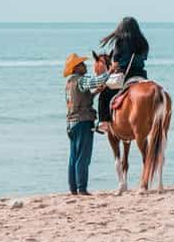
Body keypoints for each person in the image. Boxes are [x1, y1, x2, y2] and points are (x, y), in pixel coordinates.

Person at [63, 52, 109, 195]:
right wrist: (111, 72)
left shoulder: (69, 83)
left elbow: (81, 99)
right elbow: (95, 81)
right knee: (84, 156)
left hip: (71, 123)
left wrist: (95, 93)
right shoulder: (81, 80)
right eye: (82, 64)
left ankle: (73, 188)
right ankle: (82, 188)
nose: (85, 66)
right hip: (83, 122)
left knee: (73, 157)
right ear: (76, 67)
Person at [96, 17, 150, 133]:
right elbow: (144, 57)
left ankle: (104, 123)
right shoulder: (143, 41)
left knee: (104, 95)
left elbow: (115, 62)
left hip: (125, 76)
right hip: (141, 75)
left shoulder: (120, 42)